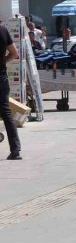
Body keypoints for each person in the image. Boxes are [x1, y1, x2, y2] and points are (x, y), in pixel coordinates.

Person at [1, 24, 22, 160]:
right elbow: (14, 53)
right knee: (7, 114)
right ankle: (15, 150)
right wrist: (2, 61)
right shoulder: (3, 30)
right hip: (1, 78)